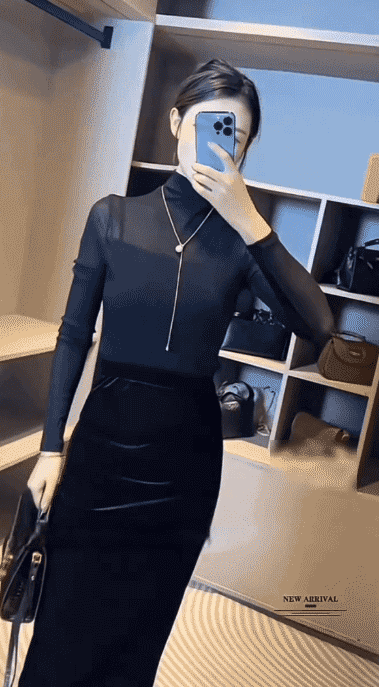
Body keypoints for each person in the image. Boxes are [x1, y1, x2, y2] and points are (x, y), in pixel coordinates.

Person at [18, 59, 334, 687]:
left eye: (235, 137)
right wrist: (51, 448)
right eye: (207, 125)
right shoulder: (112, 217)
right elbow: (74, 335)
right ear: (174, 123)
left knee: (138, 636)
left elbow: (318, 326)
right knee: (63, 624)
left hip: (183, 471)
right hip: (100, 455)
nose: (219, 145)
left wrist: (251, 219)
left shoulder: (242, 243)